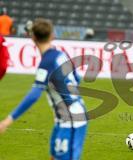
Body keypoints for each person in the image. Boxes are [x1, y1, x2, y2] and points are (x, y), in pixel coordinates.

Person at [0, 18, 87, 160]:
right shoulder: (61, 55)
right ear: (52, 35)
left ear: (32, 38)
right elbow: (77, 78)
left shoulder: (47, 62)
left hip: (71, 120)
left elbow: (34, 94)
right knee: (54, 157)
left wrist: (7, 121)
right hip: (65, 118)